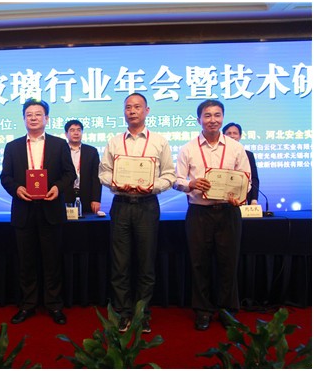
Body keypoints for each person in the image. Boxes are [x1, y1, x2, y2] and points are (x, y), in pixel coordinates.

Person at [98, 93, 176, 333]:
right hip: (121, 204)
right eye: (128, 107)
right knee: (120, 264)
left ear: (147, 111)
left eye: (137, 107)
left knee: (146, 263)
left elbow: (169, 175)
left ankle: (142, 314)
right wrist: (115, 182)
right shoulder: (114, 142)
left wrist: (152, 186)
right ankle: (123, 313)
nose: (132, 111)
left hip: (147, 205)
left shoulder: (159, 142)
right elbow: (103, 172)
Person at [174, 99, 251, 331]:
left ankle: (227, 311)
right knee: (200, 263)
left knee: (228, 262)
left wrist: (240, 195)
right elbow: (176, 181)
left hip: (228, 212)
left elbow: (246, 178)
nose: (213, 120)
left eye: (217, 115)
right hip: (199, 213)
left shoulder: (236, 148)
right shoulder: (188, 149)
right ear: (199, 119)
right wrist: (191, 184)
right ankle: (203, 311)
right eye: (207, 115)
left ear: (223, 117)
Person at [0, 98, 76, 325]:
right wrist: (17, 189)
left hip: (51, 210)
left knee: (52, 262)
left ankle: (54, 305)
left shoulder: (59, 144)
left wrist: (57, 188)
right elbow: (6, 177)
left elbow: (69, 174)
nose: (33, 118)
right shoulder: (12, 146)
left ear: (47, 118)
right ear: (24, 119)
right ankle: (28, 305)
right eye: (29, 115)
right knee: (26, 262)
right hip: (23, 210)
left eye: (38, 114)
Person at [63, 119, 102, 214]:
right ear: (66, 134)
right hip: (65, 195)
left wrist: (96, 199)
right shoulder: (60, 150)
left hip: (86, 195)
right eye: (72, 130)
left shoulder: (92, 151)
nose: (76, 133)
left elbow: (96, 177)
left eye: (79, 130)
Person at [222, 122, 260, 205]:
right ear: (223, 136)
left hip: (244, 198)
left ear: (240, 136)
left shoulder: (248, 155)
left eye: (235, 133)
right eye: (229, 133)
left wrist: (254, 199)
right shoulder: (219, 153)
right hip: (222, 198)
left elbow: (254, 178)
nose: (232, 136)